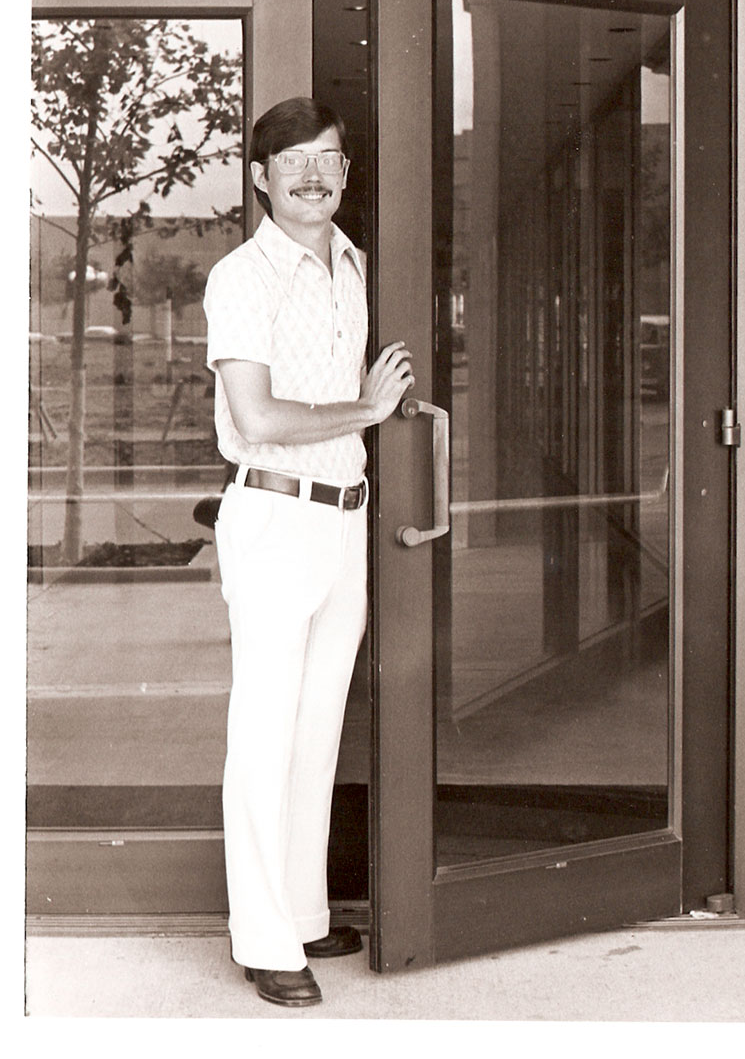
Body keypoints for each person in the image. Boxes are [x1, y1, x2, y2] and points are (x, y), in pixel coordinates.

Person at [203, 97, 413, 1008]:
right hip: (276, 516)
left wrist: (359, 432)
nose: (313, 174)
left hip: (345, 518)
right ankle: (261, 937)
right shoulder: (242, 277)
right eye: (292, 160)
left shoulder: (356, 265)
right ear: (260, 178)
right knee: (264, 727)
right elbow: (254, 417)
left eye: (327, 156)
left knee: (318, 724)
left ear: (346, 170)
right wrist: (363, 413)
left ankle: (302, 911)